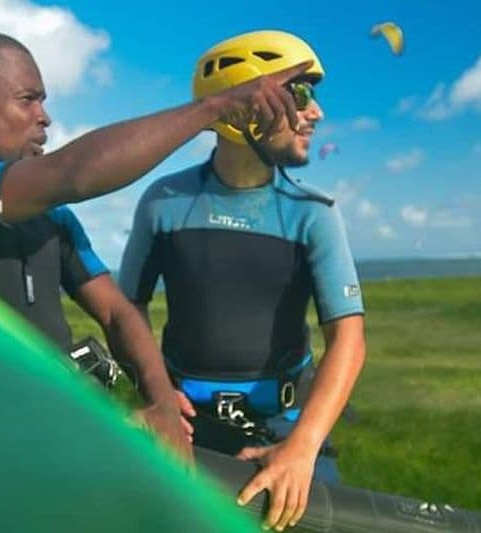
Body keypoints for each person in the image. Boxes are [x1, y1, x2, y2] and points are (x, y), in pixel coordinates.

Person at [0, 30, 310, 463]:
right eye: (27, 100)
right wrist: (214, 108)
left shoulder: (51, 218)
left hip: (49, 447)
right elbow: (73, 173)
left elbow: (117, 312)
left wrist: (162, 403)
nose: (44, 117)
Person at [118, 30, 366, 530]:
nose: (314, 113)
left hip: (287, 428)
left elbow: (349, 339)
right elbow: (127, 308)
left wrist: (302, 447)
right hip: (184, 426)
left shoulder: (313, 214)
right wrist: (158, 392)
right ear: (245, 109)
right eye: (300, 95)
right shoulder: (163, 201)